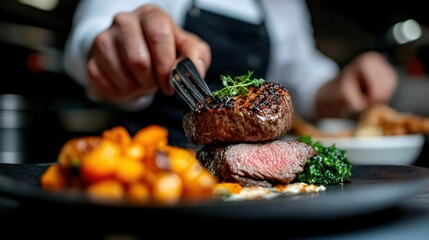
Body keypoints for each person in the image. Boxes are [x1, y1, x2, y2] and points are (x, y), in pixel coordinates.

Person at [63, 0, 398, 147]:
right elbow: (92, 33)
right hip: (153, 189)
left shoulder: (284, 4)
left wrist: (340, 85)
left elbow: (302, 77)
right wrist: (109, 49)